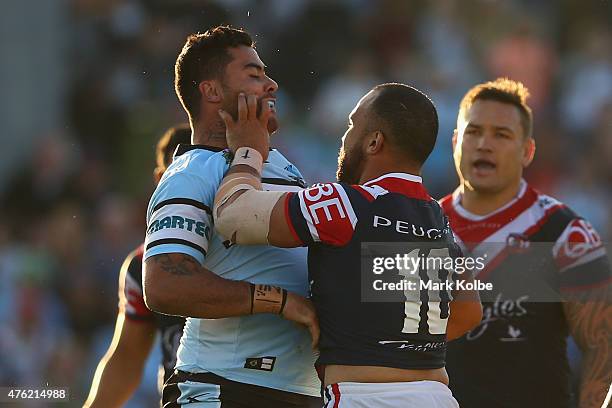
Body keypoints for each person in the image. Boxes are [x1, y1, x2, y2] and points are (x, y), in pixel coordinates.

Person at [213, 83, 483, 408]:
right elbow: (470, 311)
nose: (345, 137)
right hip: (438, 396)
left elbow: (233, 217)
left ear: (374, 141)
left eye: (352, 124)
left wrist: (248, 151)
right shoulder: (441, 222)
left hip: (364, 398)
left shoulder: (346, 203)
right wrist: (400, 346)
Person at [142, 26, 321, 407]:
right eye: (254, 75)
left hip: (298, 392)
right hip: (224, 387)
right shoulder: (195, 170)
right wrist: (281, 302)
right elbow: (163, 284)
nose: (271, 85)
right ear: (212, 92)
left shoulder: (287, 167)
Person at [439, 77, 611, 408]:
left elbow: (603, 345)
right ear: (456, 141)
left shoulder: (565, 232)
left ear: (527, 151)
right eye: (473, 132)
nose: (484, 144)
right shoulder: (420, 227)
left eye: (501, 135)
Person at [84, 125, 191, 407]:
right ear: (160, 180)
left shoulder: (254, 248)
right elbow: (126, 359)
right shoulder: (144, 264)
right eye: (180, 175)